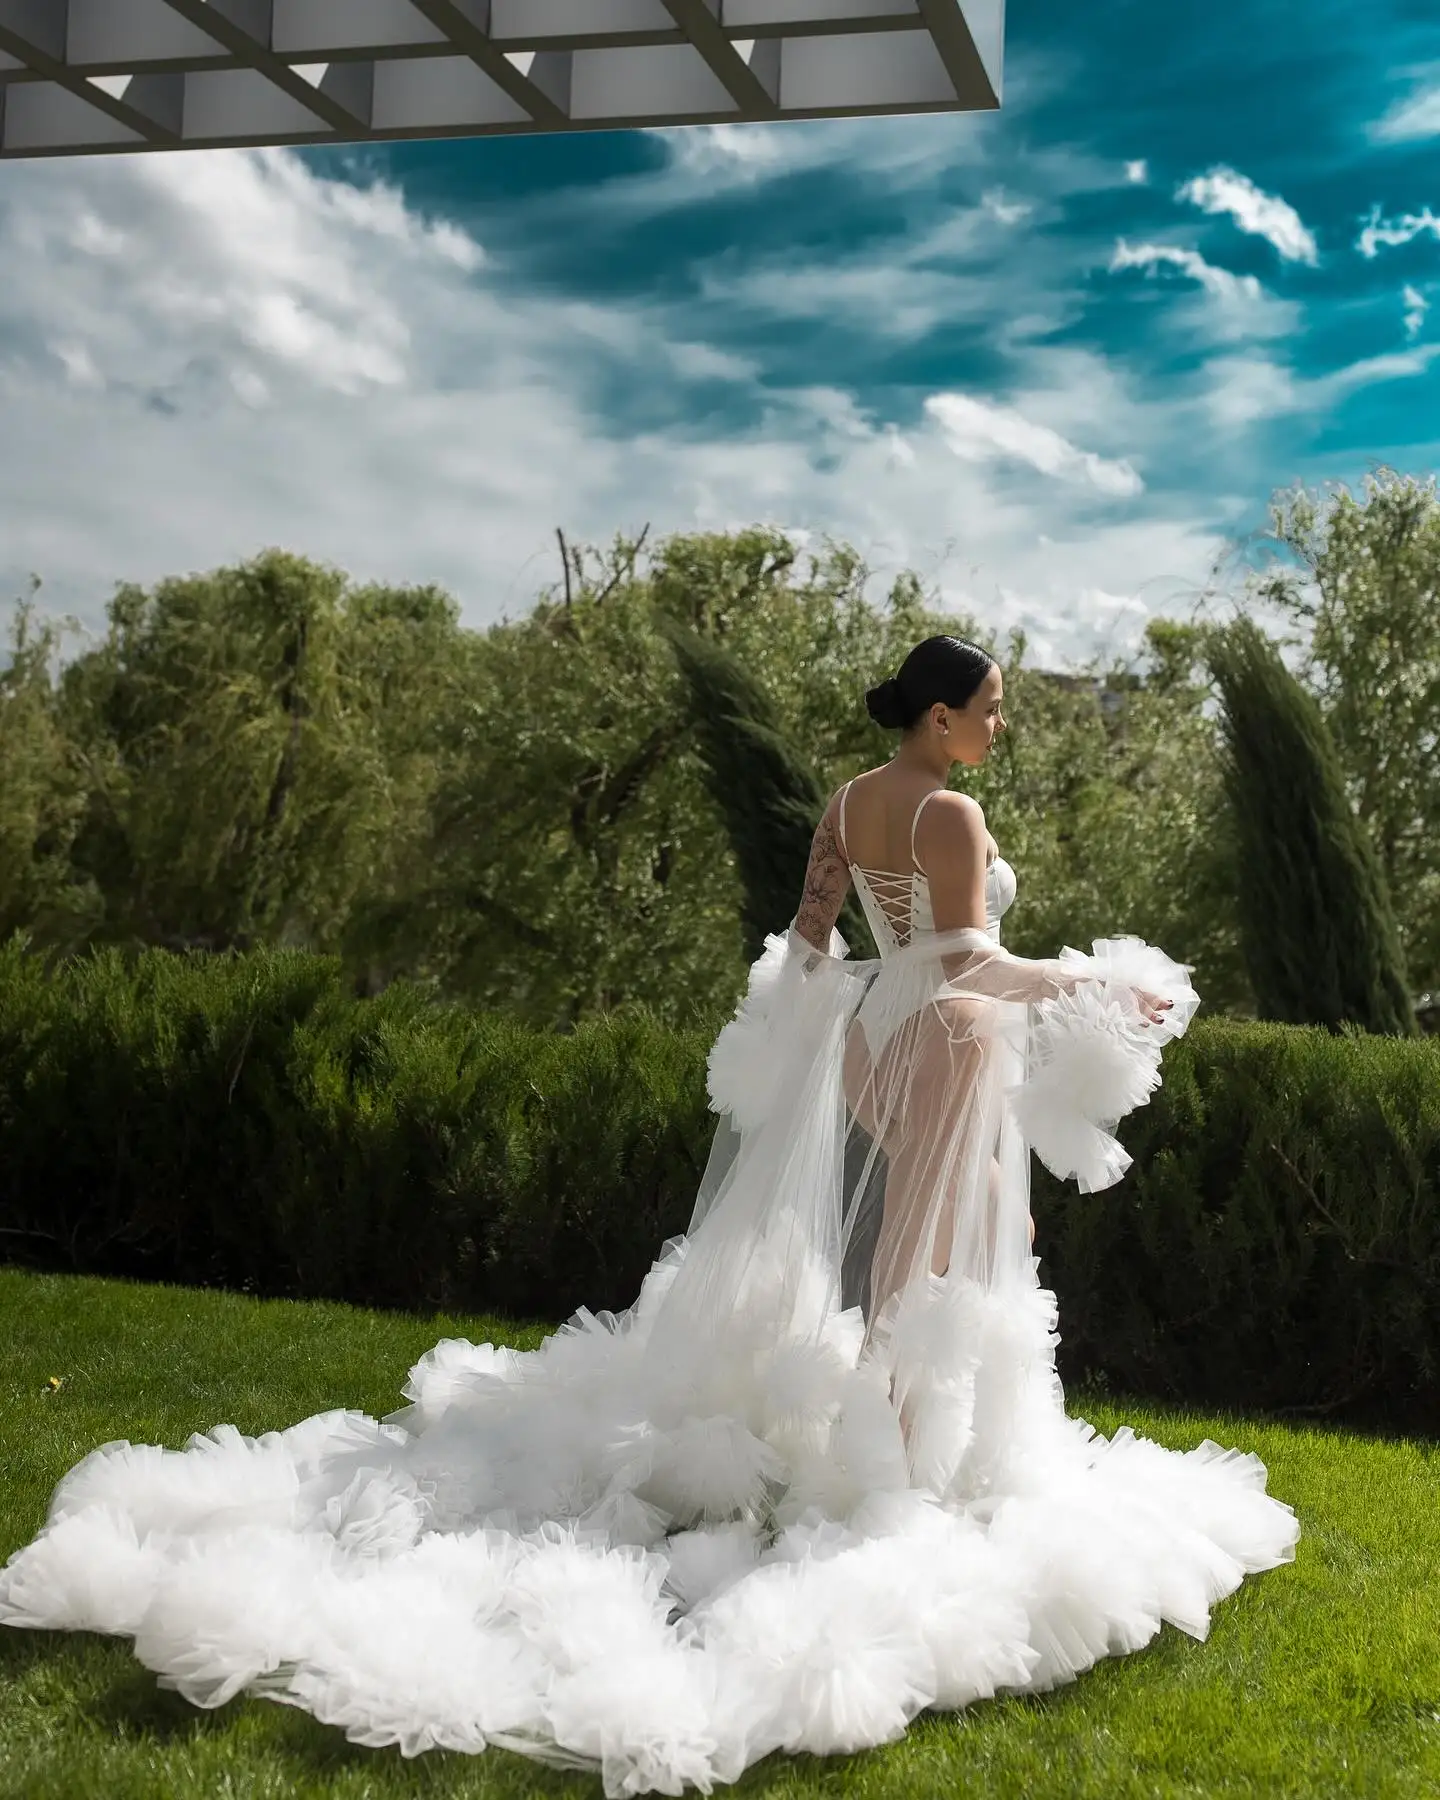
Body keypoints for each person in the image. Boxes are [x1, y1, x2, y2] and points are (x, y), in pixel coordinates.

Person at [0, 636, 1298, 1798]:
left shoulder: (850, 799)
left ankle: (896, 1447)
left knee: (924, 1254)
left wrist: (794, 1055)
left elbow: (807, 935)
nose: (999, 728)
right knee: (928, 1262)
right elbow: (969, 962)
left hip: (869, 1038)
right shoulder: (951, 810)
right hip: (953, 1037)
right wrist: (1094, 981)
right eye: (993, 710)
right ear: (944, 716)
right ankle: (898, 1474)